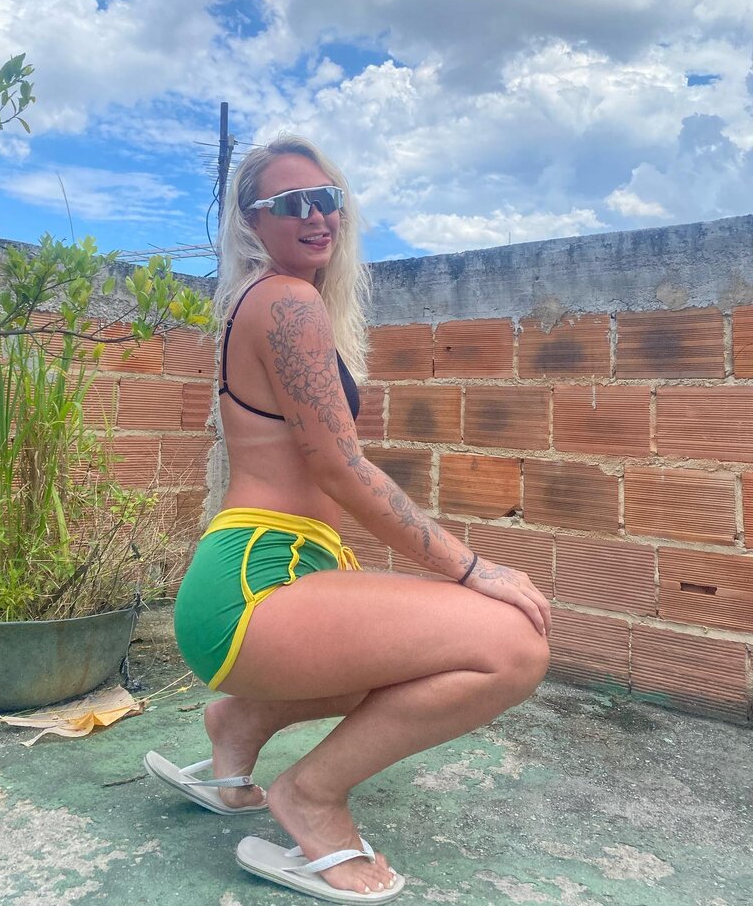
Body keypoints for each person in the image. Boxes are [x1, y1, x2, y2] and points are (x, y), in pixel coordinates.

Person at [145, 135, 551, 904]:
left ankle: (240, 725)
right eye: (289, 203)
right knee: (513, 646)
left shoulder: (278, 302)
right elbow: (341, 467)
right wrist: (473, 567)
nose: (316, 215)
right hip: (253, 585)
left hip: (284, 569)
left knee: (415, 662)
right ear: (250, 223)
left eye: (327, 198)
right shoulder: (285, 300)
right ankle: (311, 795)